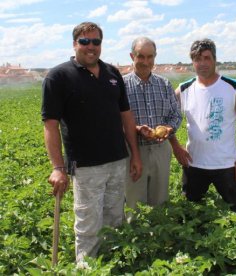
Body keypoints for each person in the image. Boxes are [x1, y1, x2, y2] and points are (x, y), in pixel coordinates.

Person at [41, 21, 142, 263]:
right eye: (85, 41)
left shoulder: (112, 73)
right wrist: (57, 168)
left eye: (96, 41)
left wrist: (135, 155)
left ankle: (111, 265)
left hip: (117, 160)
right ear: (75, 43)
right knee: (88, 224)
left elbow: (126, 116)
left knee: (114, 219)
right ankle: (87, 268)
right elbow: (50, 125)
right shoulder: (59, 76)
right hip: (84, 165)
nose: (91, 46)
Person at [170, 38, 236, 211]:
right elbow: (166, 119)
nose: (202, 63)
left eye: (207, 58)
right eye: (197, 59)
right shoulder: (184, 90)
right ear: (192, 62)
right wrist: (176, 147)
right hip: (194, 164)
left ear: (214, 59)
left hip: (226, 165)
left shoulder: (232, 87)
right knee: (191, 215)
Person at [123, 37, 182, 215]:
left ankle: (159, 239)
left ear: (155, 57)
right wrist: (137, 129)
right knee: (133, 205)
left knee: (160, 201)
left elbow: (176, 114)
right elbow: (114, 121)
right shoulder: (121, 86)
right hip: (133, 151)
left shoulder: (163, 84)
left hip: (160, 150)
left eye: (150, 57)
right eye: (141, 56)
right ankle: (134, 239)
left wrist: (170, 129)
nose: (146, 62)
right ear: (132, 56)